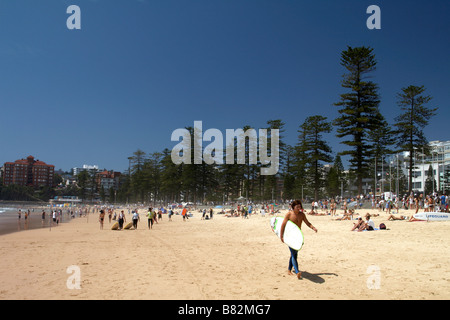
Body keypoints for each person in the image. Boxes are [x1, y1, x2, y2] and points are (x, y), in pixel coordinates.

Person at [280, 200, 317, 280]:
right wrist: (281, 236)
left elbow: (307, 223)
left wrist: (313, 228)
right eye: (297, 206)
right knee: (293, 254)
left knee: (294, 254)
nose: (299, 208)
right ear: (293, 207)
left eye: (300, 206)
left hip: (298, 237)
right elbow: (283, 224)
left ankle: (289, 270)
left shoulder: (302, 215)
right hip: (290, 236)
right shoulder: (289, 214)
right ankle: (297, 272)